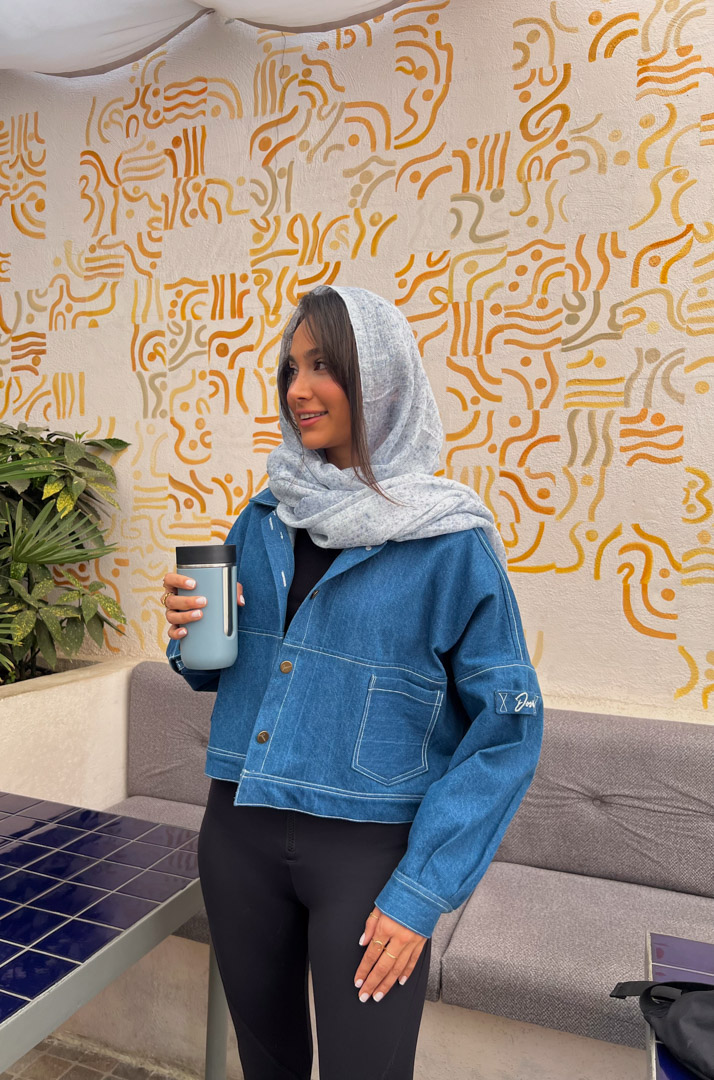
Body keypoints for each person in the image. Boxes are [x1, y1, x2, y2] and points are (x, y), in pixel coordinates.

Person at [161, 285, 543, 1080]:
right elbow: (215, 672)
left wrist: (422, 892)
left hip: (368, 858)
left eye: (324, 366)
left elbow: (507, 731)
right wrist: (188, 634)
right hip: (238, 831)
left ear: (383, 379)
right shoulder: (265, 517)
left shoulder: (450, 541)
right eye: (290, 369)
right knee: (266, 1065)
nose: (299, 389)